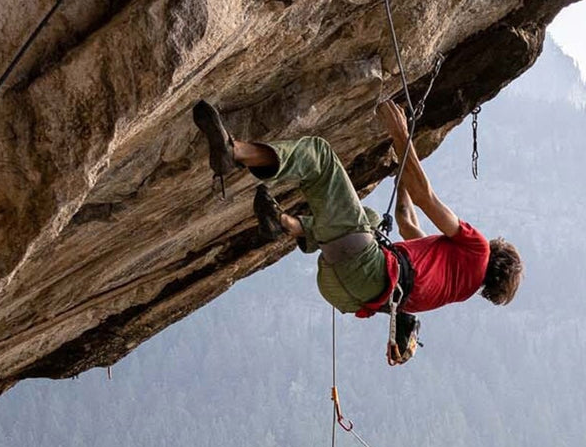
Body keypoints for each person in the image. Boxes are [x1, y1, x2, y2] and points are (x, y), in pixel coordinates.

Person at [193, 99, 523, 364]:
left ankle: (233, 151)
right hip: (344, 292)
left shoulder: (477, 248)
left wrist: (401, 134)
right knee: (369, 217)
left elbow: (425, 199)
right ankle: (287, 225)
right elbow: (407, 220)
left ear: (496, 250)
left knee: (320, 157)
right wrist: (401, 166)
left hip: (369, 268)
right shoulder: (458, 285)